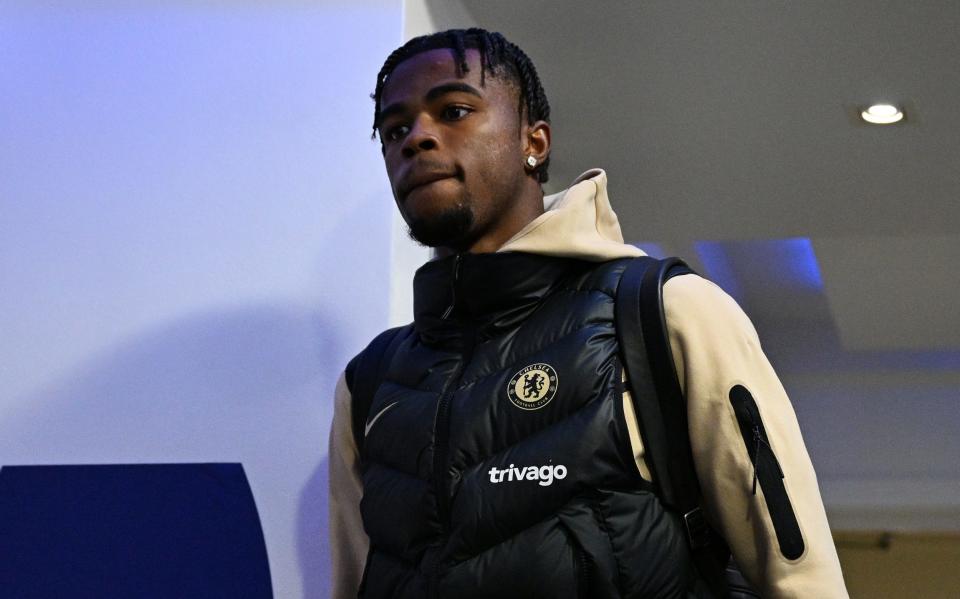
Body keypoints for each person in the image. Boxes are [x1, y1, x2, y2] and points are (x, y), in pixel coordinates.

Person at [328, 28, 848, 598]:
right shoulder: (371, 382)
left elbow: (801, 577)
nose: (417, 138)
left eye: (453, 110)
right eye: (395, 129)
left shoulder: (665, 310)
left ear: (536, 142)